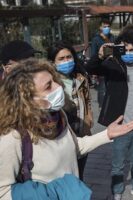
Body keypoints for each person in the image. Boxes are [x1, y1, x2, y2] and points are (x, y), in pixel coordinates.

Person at [0, 58, 133, 200]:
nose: (58, 86)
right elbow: (3, 192)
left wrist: (106, 135)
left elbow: (74, 147)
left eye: (54, 80)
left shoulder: (58, 115)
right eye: (48, 86)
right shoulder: (13, 137)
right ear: (27, 99)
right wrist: (56, 192)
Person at [86, 30, 133, 200]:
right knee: (118, 164)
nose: (129, 53)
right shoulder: (113, 65)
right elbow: (91, 68)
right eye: (125, 50)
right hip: (120, 125)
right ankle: (117, 191)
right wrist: (100, 55)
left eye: (132, 50)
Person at [47, 41, 93, 180]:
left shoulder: (80, 78)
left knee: (80, 175)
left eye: (69, 57)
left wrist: (89, 118)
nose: (66, 61)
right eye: (61, 59)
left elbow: (87, 101)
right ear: (53, 62)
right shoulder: (49, 84)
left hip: (81, 135)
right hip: (60, 139)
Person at [91, 18, 115, 109]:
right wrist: (94, 71)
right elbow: (93, 54)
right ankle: (102, 106)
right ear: (100, 27)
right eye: (105, 26)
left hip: (111, 65)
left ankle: (111, 104)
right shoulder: (96, 39)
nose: (107, 28)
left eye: (108, 26)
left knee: (111, 85)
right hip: (101, 66)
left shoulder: (112, 37)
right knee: (102, 87)